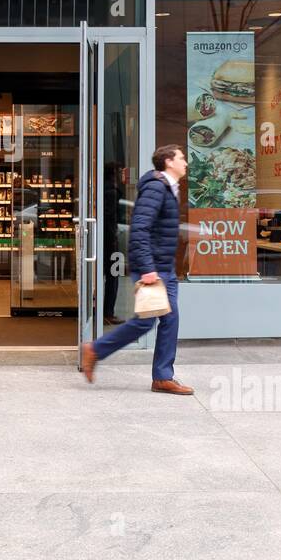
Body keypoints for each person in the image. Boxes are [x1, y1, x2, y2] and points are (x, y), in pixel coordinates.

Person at [81, 144, 192, 395]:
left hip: (163, 268)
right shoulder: (156, 188)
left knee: (170, 319)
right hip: (155, 269)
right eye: (181, 158)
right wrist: (148, 269)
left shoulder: (168, 188)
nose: (185, 162)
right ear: (168, 162)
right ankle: (95, 350)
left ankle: (163, 377)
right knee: (145, 323)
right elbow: (139, 229)